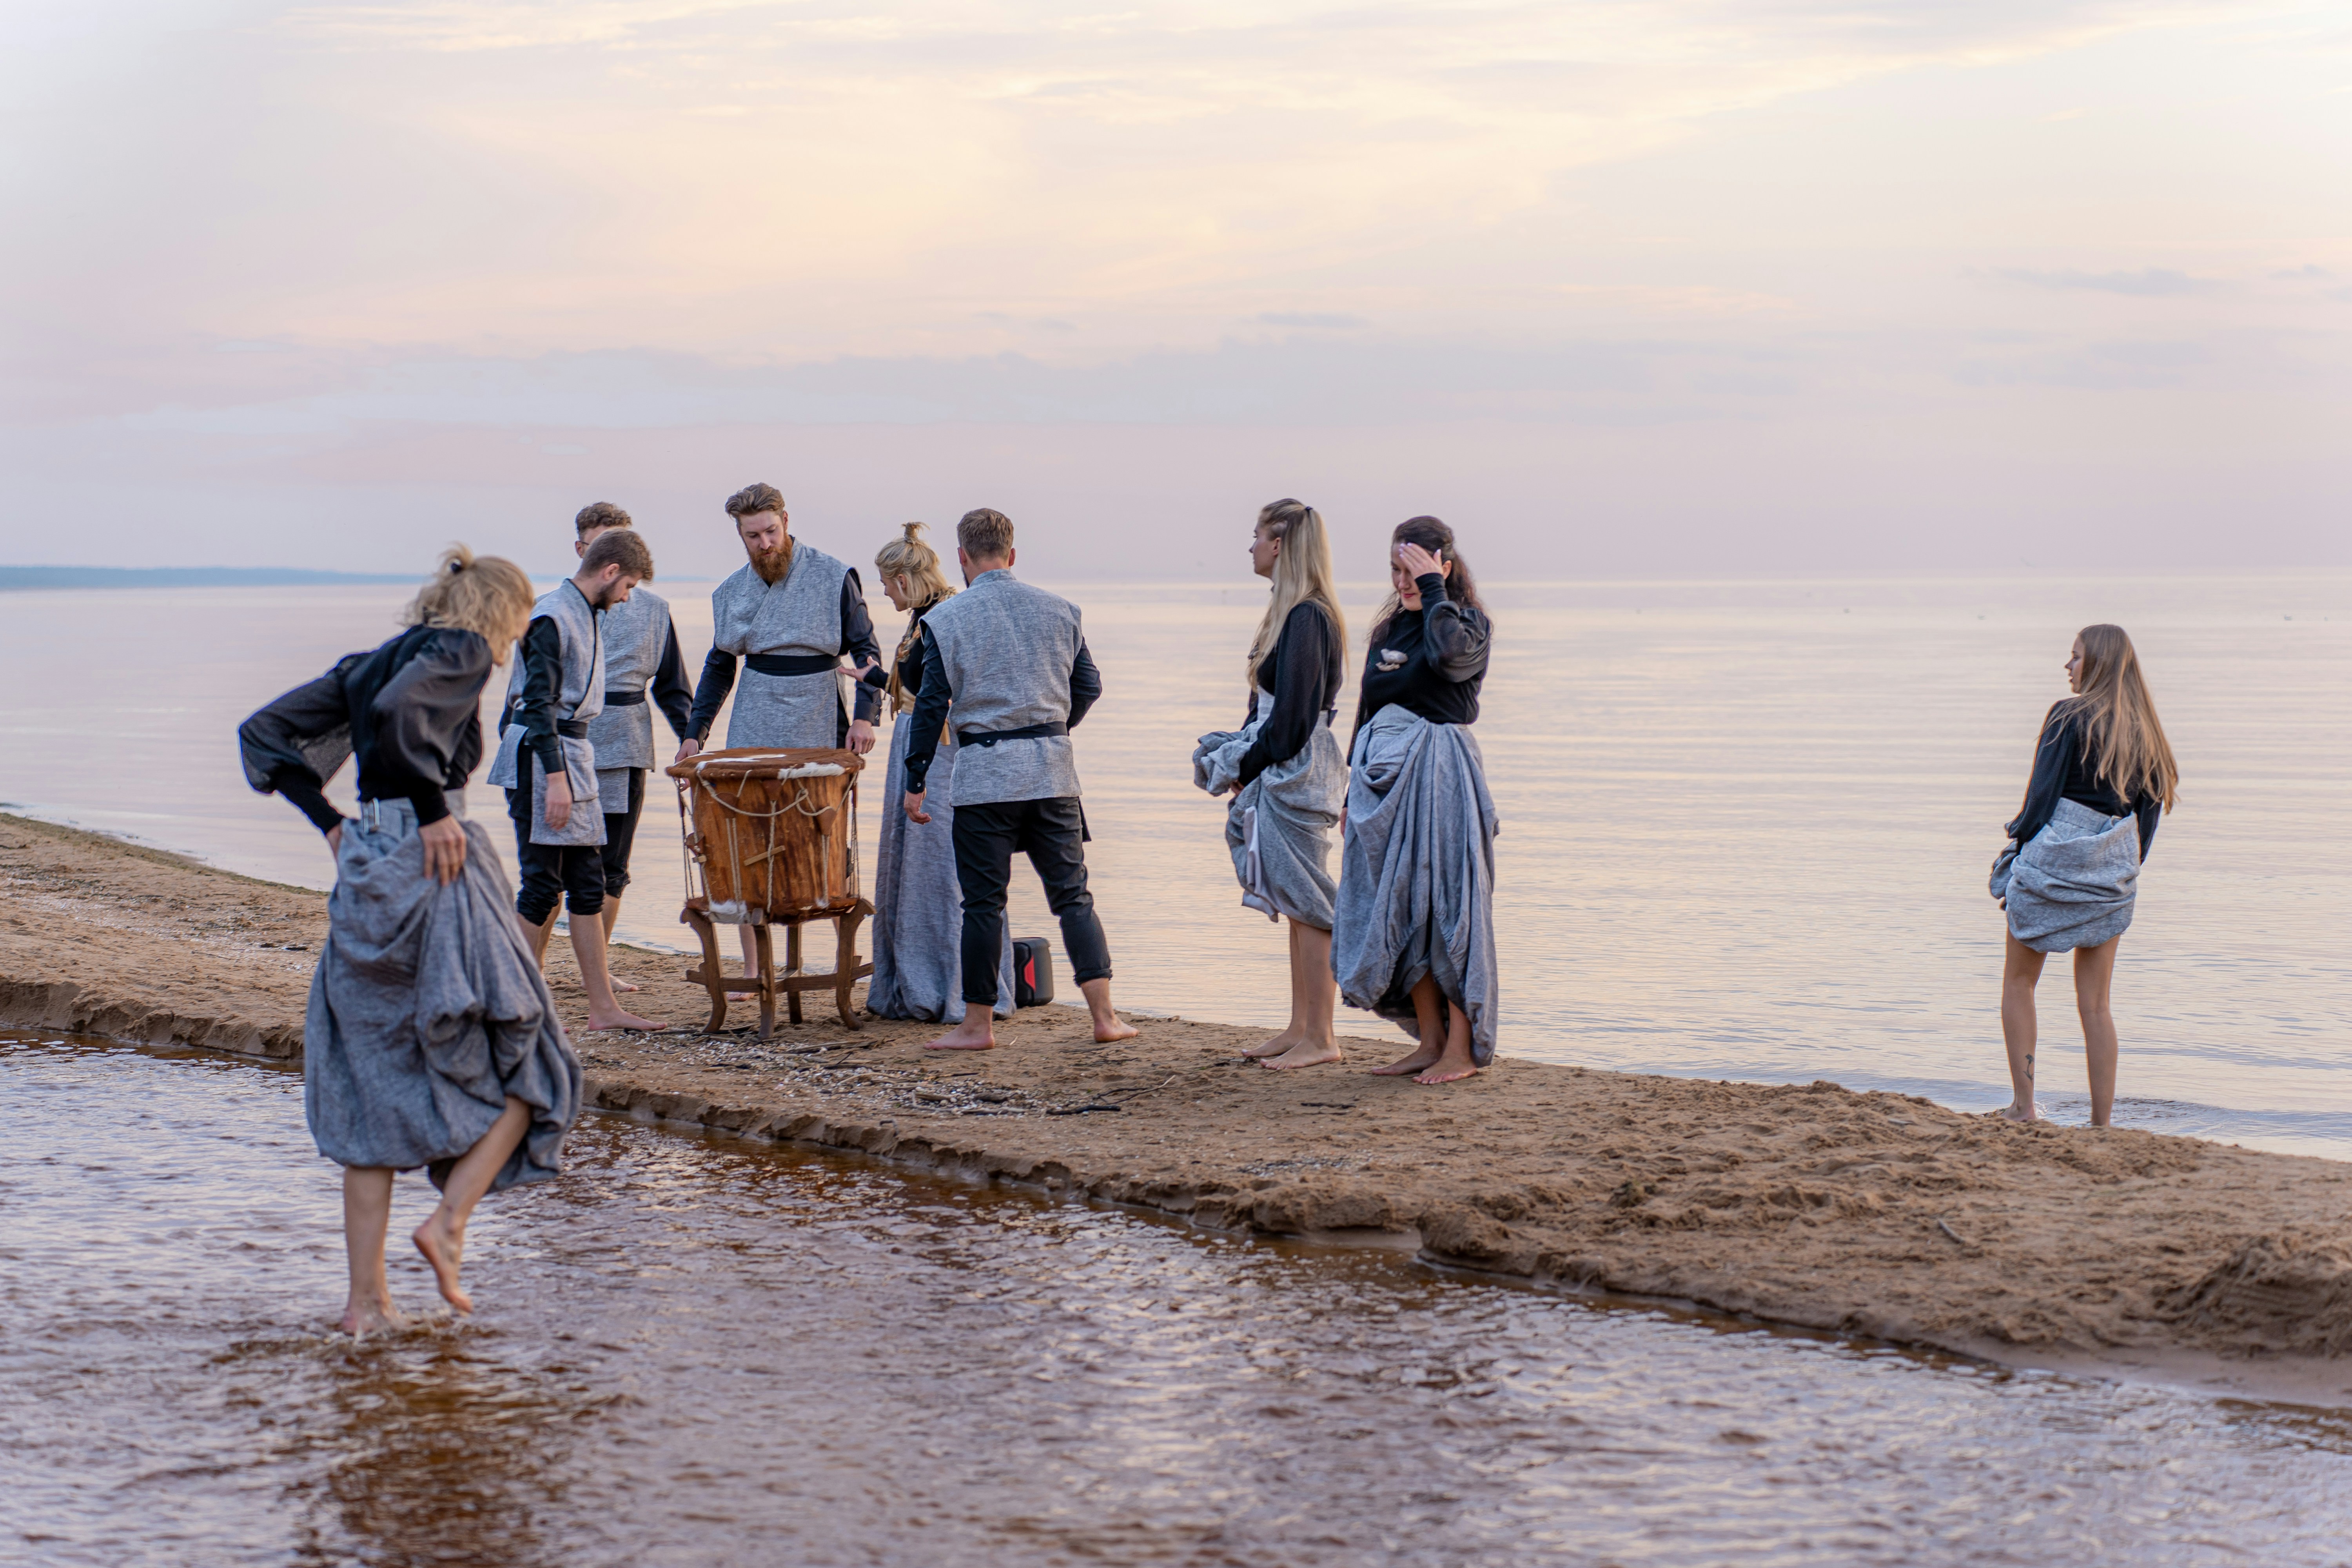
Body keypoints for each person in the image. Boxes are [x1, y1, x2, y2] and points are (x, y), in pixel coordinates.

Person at [237, 546, 584, 1337]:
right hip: (439, 859)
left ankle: (366, 1304)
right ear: (503, 611)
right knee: (538, 1058)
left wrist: (329, 823)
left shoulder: (371, 659)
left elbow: (263, 735)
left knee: (373, 1090)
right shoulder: (457, 650)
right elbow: (402, 715)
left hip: (365, 864)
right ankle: (449, 1222)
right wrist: (432, 809)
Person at [899, 507, 1138, 1050]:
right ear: (1012, 554)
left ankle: (977, 1026)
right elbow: (1090, 686)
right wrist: (1053, 729)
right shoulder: (1062, 610)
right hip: (1053, 774)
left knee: (984, 905)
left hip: (985, 779)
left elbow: (931, 704)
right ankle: (1105, 1018)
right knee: (1074, 899)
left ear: (962, 558)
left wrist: (917, 781)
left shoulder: (948, 620)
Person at [676, 481, 884, 977]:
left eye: (771, 531)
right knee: (744, 836)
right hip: (754, 711)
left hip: (819, 705)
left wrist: (864, 716)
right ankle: (754, 968)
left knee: (824, 836)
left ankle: (840, 961)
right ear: (740, 536)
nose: (765, 544)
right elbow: (719, 666)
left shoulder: (835, 576)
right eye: (753, 536)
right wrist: (694, 734)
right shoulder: (730, 591)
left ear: (786, 521)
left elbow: (867, 650)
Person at [1330, 515, 1500, 1085]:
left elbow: (1452, 662)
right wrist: (1352, 792)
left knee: (1447, 907)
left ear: (1445, 568)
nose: (1403, 582)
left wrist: (1434, 594)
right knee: (1401, 910)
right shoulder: (1387, 633)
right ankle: (1429, 1042)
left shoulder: (1465, 624)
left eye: (1417, 571)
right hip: (1385, 787)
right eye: (1397, 571)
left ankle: (1463, 1051)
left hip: (1441, 778)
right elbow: (1368, 714)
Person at [1990, 624, 2178, 1127]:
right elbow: (2146, 827)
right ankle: (2101, 1123)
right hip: (2108, 874)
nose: (2067, 666)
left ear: (2095, 663)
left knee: (2018, 984)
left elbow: (2041, 799)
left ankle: (2024, 1108)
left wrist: (2015, 851)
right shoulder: (2149, 734)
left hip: (2051, 864)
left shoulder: (2066, 716)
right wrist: (2119, 875)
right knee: (2096, 1005)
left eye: (2074, 657)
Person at [484, 527, 664, 1032]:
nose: (628, 596)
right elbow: (536, 706)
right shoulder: (551, 617)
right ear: (610, 573)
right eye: (627, 586)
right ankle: (509, 1004)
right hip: (542, 759)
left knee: (588, 884)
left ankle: (603, 1008)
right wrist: (556, 779)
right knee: (541, 887)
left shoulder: (586, 612)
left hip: (574, 753)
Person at [1192, 499, 1348, 1070]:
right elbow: (1266, 712)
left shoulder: (1310, 616)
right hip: (1284, 765)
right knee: (1292, 895)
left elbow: (1295, 721)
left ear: (1281, 544)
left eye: (1256, 535)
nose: (1251, 545)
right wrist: (1239, 756)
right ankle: (1299, 1026)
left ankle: (1323, 1038)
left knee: (1309, 902)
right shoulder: (1289, 614)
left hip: (1301, 771)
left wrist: (1247, 766)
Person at [860, 523, 1017, 1023]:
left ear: (906, 579)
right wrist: (877, 680)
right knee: (917, 866)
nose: (883, 592)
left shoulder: (945, 617)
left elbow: (941, 696)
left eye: (887, 582)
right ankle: (920, 978)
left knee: (939, 868)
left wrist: (918, 774)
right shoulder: (926, 617)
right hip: (920, 741)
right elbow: (919, 686)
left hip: (939, 752)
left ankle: (946, 983)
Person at [571, 504, 694, 990]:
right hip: (569, 743)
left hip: (627, 741)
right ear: (584, 552)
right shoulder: (559, 606)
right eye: (602, 547)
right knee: (556, 863)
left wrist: (692, 738)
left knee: (612, 867)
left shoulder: (655, 610)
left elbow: (672, 687)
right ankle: (537, 967)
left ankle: (597, 974)